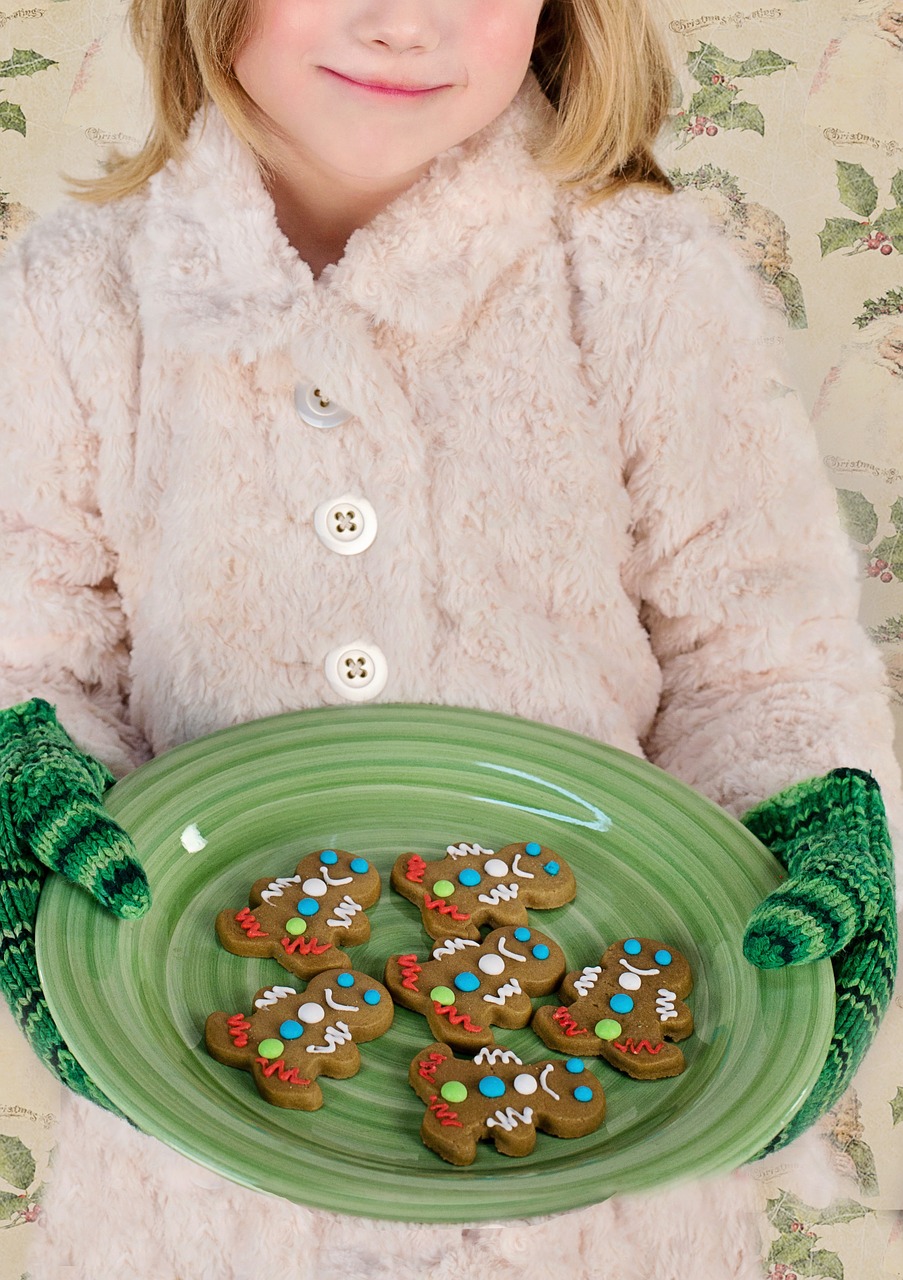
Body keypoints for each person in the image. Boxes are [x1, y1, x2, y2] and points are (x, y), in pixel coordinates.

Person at [0, 0, 898, 1275]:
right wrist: (27, 770)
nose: (404, 22)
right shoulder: (70, 296)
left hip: (608, 1208)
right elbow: (35, 656)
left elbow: (759, 660)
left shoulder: (643, 277)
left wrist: (816, 800)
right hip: (192, 1201)